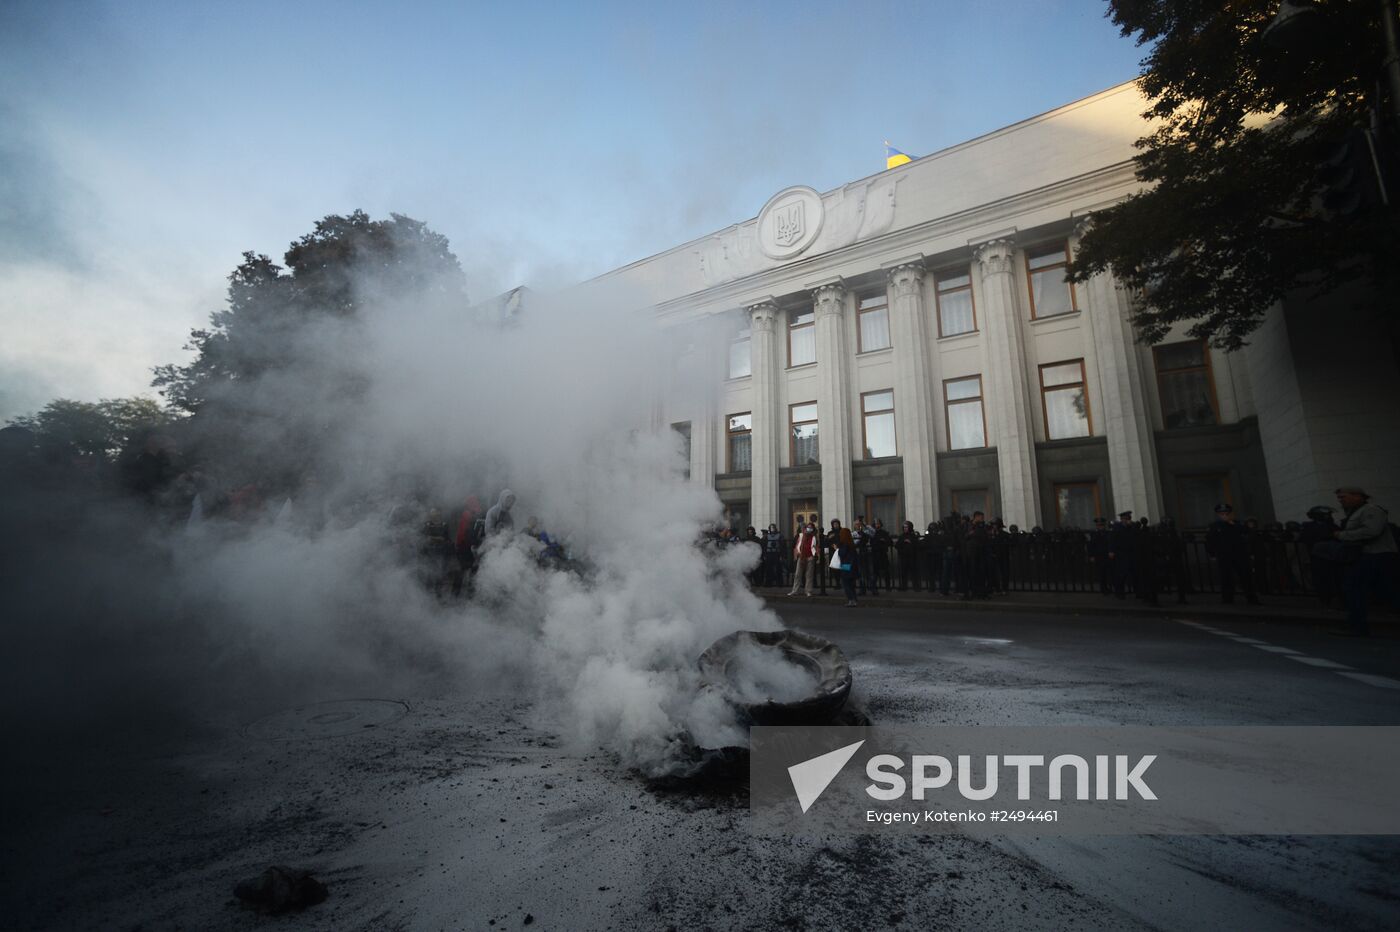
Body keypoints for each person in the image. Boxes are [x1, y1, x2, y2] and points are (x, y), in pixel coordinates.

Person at [1332, 487, 1399, 637]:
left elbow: (1371, 531)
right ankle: (1357, 626)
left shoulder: (1371, 510)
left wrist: (1342, 535)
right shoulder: (1356, 512)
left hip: (1378, 555)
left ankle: (1358, 626)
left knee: (1387, 590)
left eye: (1343, 497)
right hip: (1365, 555)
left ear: (1357, 496)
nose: (1341, 500)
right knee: (1356, 590)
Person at [1206, 503, 1261, 605]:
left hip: (1239, 554)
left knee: (1245, 576)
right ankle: (1227, 599)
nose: (1224, 516)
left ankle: (1251, 598)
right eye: (1222, 514)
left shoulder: (1237, 523)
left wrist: (1232, 523)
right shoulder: (1214, 526)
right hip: (1224, 555)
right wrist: (1212, 554)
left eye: (1226, 513)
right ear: (1218, 515)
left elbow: (1246, 532)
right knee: (1226, 578)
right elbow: (1210, 541)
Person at [1300, 505, 1341, 608]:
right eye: (1326, 515)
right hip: (1318, 556)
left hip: (1333, 555)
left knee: (1335, 576)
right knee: (1321, 577)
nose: (1329, 517)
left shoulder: (1332, 525)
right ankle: (1325, 598)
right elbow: (1306, 538)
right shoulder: (1308, 526)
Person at [1108, 510, 1136, 600]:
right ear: (1122, 519)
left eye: (1129, 519)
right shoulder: (1117, 527)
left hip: (1130, 552)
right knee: (1121, 573)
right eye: (1126, 519)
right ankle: (1120, 592)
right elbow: (1112, 540)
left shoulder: (1132, 527)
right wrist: (1111, 551)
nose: (1128, 520)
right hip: (1120, 553)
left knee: (1132, 572)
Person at [788, 521, 819, 597]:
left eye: (811, 528)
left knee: (809, 575)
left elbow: (815, 547)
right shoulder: (801, 535)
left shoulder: (814, 537)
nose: (809, 529)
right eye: (808, 527)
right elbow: (797, 545)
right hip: (801, 556)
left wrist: (815, 555)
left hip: (810, 556)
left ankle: (808, 591)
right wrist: (797, 555)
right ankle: (795, 590)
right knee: (798, 574)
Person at [836, 526, 859, 606]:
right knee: (851, 585)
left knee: (846, 584)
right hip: (852, 566)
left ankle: (851, 600)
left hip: (846, 565)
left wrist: (837, 548)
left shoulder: (844, 544)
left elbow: (841, 554)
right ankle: (854, 600)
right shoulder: (851, 544)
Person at [1089, 517, 1112, 595]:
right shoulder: (1094, 534)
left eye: (1101, 525)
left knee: (1108, 572)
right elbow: (1091, 545)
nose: (1100, 527)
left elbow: (1110, 543)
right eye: (1098, 525)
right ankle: (1103, 589)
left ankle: (1108, 588)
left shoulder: (1108, 533)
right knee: (1101, 573)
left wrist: (1110, 552)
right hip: (1098, 556)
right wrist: (1091, 556)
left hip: (1107, 555)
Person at [895, 521, 921, 591]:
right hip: (904, 557)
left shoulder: (913, 536)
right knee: (904, 573)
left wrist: (910, 542)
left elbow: (917, 545)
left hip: (912, 557)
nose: (905, 528)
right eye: (904, 527)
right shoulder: (902, 536)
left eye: (906, 527)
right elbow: (897, 545)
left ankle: (916, 587)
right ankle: (904, 587)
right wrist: (903, 542)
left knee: (914, 573)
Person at [762, 523, 786, 588]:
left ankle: (780, 584)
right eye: (771, 527)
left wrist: (782, 556)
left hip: (777, 554)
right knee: (768, 569)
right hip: (769, 553)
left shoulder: (780, 535)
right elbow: (764, 546)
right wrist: (764, 555)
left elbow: (783, 546)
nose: (772, 529)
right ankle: (768, 583)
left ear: (775, 528)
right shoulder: (766, 536)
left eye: (773, 527)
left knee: (778, 569)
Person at [872, 519, 893, 590]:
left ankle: (888, 586)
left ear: (880, 524)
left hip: (883, 554)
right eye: (876, 524)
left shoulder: (884, 533)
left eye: (878, 524)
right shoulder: (873, 533)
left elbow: (890, 542)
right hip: (875, 554)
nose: (877, 525)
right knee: (875, 572)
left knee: (886, 571)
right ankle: (874, 587)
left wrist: (884, 540)